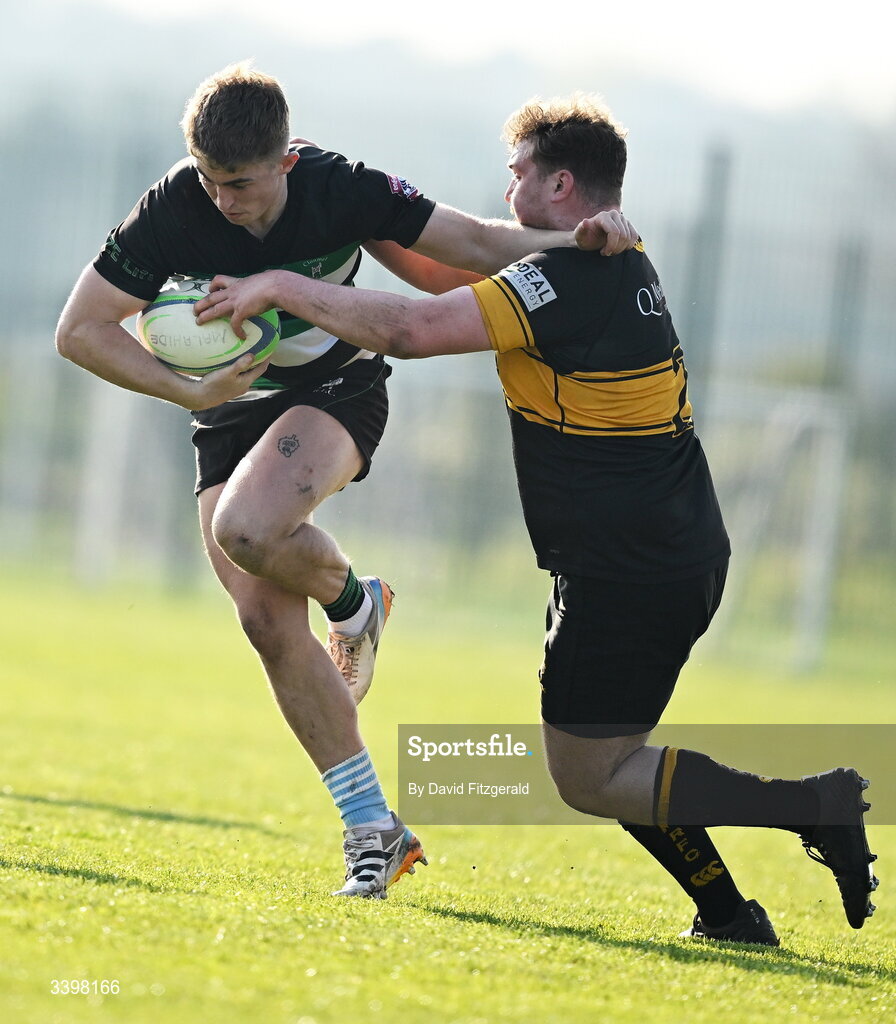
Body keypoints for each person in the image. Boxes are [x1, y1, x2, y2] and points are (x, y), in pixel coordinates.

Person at [193, 94, 879, 941]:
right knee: (608, 755)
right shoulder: (597, 265)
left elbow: (413, 328)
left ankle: (815, 806)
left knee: (594, 773)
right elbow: (448, 271)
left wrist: (283, 285)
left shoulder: (566, 277)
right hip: (651, 553)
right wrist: (357, 212)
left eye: (515, 174)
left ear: (559, 184)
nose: (504, 188)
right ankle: (730, 913)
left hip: (630, 566)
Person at [54, 64, 637, 900]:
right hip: (227, 413)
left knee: (248, 532)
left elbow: (471, 245)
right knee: (260, 616)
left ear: (286, 160)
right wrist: (187, 389)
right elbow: (80, 330)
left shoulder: (340, 187)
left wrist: (573, 242)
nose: (225, 202)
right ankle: (374, 824)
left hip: (336, 389)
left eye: (243, 185)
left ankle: (354, 607)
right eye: (212, 183)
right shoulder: (170, 208)